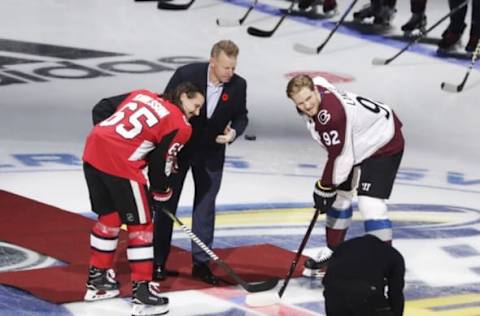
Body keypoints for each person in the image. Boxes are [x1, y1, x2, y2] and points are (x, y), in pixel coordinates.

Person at [82, 82, 205, 316]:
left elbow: (102, 107)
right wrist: (162, 193)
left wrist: (112, 138)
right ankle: (143, 294)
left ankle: (97, 282)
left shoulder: (142, 94)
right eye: (195, 105)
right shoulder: (180, 125)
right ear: (182, 97)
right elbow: (160, 165)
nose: (196, 112)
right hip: (121, 164)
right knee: (142, 227)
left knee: (110, 216)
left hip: (93, 150)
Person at [285, 74, 404, 278]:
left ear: (314, 90)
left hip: (383, 141)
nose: (306, 105)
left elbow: (341, 158)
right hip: (358, 140)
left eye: (309, 98)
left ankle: (384, 266)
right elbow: (321, 79)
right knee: (339, 197)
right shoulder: (319, 88)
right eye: (300, 103)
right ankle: (333, 252)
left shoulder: (332, 115)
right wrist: (328, 189)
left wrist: (324, 186)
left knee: (370, 204)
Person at [153, 40, 249, 285]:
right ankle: (157, 262)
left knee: (205, 209)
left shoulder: (238, 85)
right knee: (167, 204)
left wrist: (233, 134)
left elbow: (241, 115)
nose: (230, 72)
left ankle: (201, 264)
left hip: (211, 154)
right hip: (180, 150)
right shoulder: (187, 75)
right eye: (226, 67)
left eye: (233, 67)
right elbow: (166, 105)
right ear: (213, 62)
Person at [322, 234, 405, 316]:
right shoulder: (394, 255)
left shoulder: (343, 246)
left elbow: (328, 276)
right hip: (364, 294)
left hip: (333, 293)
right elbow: (396, 294)